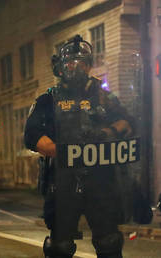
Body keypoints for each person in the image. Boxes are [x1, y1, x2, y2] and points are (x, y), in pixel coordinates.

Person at [24, 35, 134, 258]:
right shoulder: (49, 99)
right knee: (59, 247)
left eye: (82, 62)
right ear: (62, 67)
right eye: (71, 63)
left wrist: (106, 133)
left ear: (88, 64)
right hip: (63, 180)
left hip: (100, 178)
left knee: (109, 242)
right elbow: (32, 135)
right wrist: (60, 150)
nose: (76, 68)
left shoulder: (104, 96)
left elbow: (127, 123)